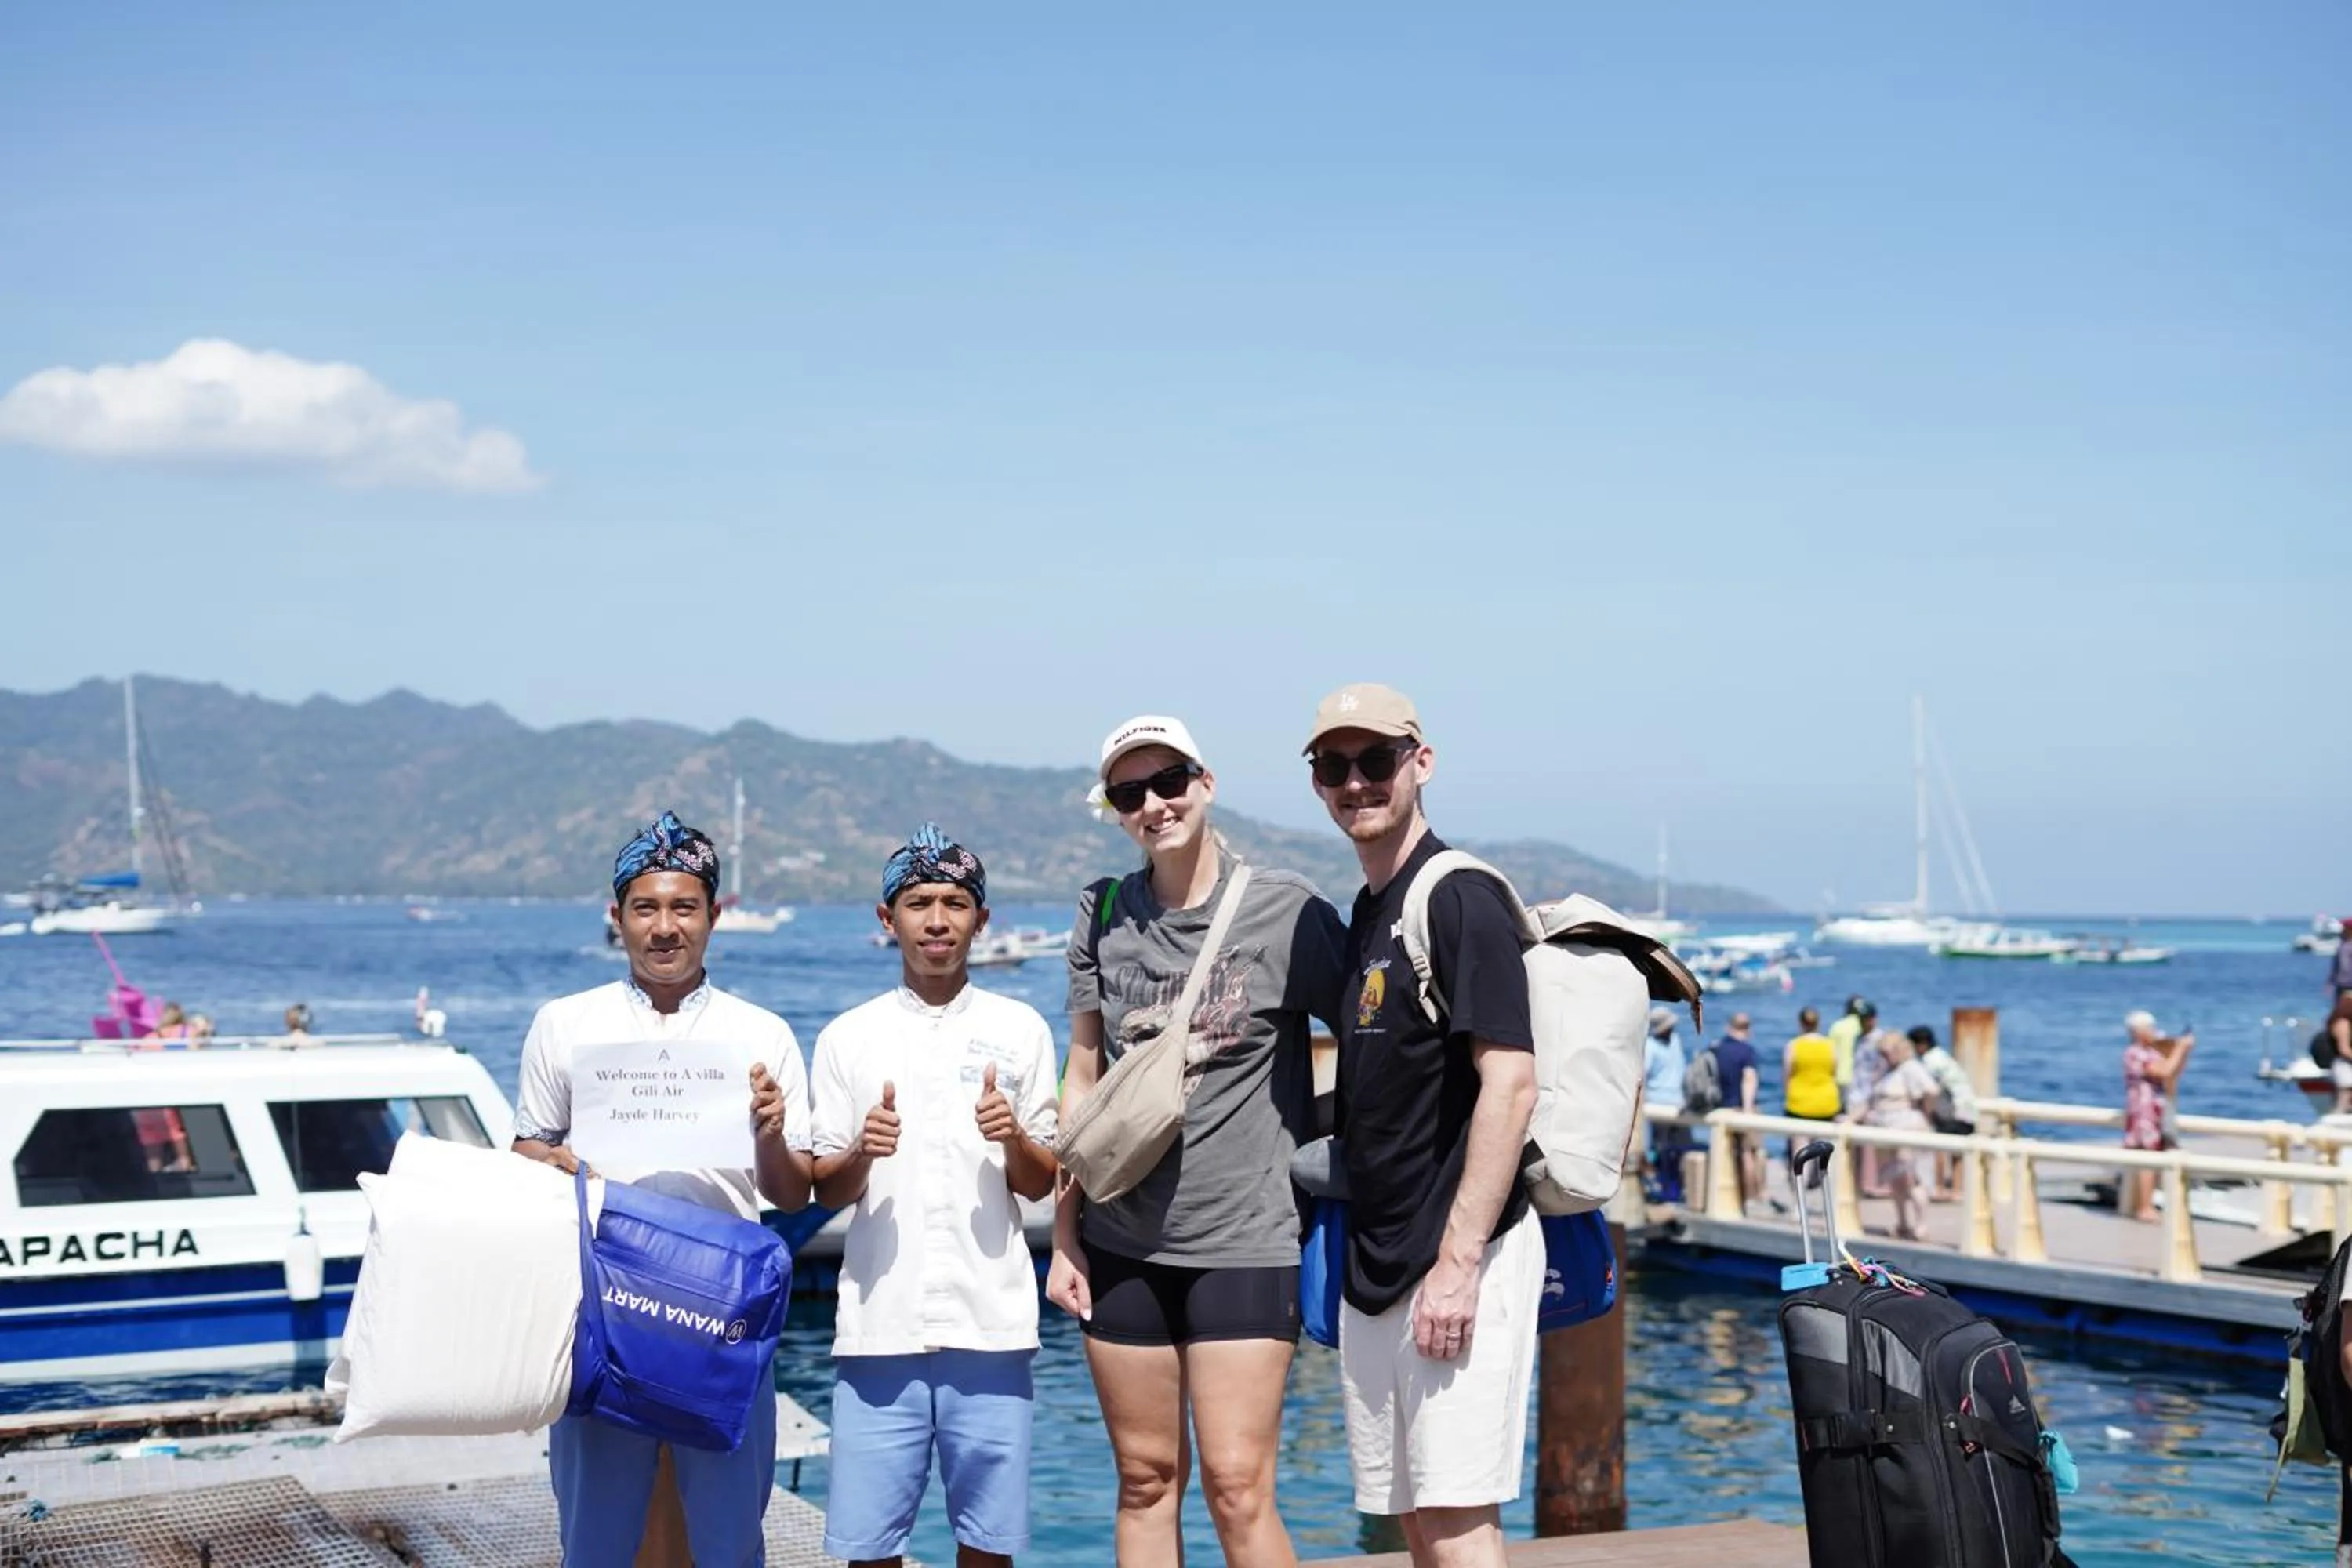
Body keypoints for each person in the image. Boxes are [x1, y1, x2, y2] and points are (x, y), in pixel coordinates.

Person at [1047, 716, 1346, 1568]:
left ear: (1205, 782)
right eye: (1130, 792)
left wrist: (1309, 1132)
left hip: (1245, 1241)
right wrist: (1065, 1232)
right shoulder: (1103, 911)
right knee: (1145, 1479)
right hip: (1120, 1242)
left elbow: (1369, 1041)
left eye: (1169, 780)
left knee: (1237, 1486)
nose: (1154, 804)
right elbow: (1083, 1077)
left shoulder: (1285, 909)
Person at [512, 811, 814, 1567]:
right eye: (645, 907)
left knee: (730, 1538)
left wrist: (772, 1129)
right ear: (617, 917)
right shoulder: (564, 1023)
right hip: (600, 1307)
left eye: (685, 907)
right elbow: (526, 1150)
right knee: (594, 1538)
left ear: (715, 915)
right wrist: (542, 1163)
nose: (665, 927)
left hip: (722, 1312)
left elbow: (794, 1196)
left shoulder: (763, 1032)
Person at [1307, 684, 1540, 1568]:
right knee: (1411, 1516)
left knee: (1455, 1518)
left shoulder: (1459, 895)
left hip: (1455, 1256)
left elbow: (1511, 1082)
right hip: (1382, 1259)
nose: (1356, 781)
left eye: (1377, 760)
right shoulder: (1372, 910)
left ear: (1421, 762)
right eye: (1335, 765)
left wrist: (1458, 1262)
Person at [811, 825, 1060, 1568]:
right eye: (919, 903)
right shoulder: (846, 1038)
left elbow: (1039, 1179)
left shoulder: (1019, 1029)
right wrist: (863, 1149)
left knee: (988, 1547)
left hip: (992, 1327)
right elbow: (825, 1187)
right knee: (869, 1548)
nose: (938, 920)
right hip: (877, 1328)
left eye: (956, 902)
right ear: (887, 920)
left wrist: (1013, 1135)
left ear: (983, 920)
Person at [1863, 1030, 1940, 1241]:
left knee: (1913, 1177)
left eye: (1888, 1053)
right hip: (1886, 1128)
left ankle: (1921, 1224)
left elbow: (1931, 1091)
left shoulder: (1911, 1068)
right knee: (1895, 1178)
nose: (1885, 1057)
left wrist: (1926, 1111)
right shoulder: (1886, 1071)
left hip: (1906, 1126)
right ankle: (1902, 1222)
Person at [2121, 1009, 2194, 1221]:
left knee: (2160, 1152)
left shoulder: (2151, 1052)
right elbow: (2161, 1072)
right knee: (2148, 1156)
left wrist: (2182, 1052)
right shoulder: (2134, 1053)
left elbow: (2172, 1071)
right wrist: (2179, 1048)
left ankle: (2152, 1203)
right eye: (2149, 1028)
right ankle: (2144, 1207)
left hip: (2157, 1108)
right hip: (2144, 1109)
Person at [1909, 1025, 1979, 1200]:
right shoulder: (1942, 1056)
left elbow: (1931, 1090)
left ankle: (1939, 1187)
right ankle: (1956, 1189)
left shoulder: (1930, 1062)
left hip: (1951, 1110)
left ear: (1922, 1044)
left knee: (1940, 1148)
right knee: (1957, 1153)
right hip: (1967, 1110)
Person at [1782, 1007, 1841, 1203]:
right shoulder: (1830, 1045)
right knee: (1827, 1155)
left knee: (1800, 1155)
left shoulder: (1793, 1045)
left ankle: (1799, 1204)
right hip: (1826, 1103)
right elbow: (1834, 1070)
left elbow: (1787, 1074)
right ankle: (1831, 1202)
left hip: (1799, 1104)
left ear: (1801, 1023)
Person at [1711, 1014, 1763, 1203]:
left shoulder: (1716, 1048)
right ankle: (1750, 1196)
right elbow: (1749, 1078)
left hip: (1720, 1108)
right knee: (1748, 1153)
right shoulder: (1747, 1051)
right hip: (1741, 1108)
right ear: (1748, 1029)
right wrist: (1749, 1110)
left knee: (1725, 1153)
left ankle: (1724, 1195)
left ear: (1729, 1027)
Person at [1642, 1007, 1689, 1203]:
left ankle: (1674, 1187)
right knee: (1661, 1149)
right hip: (1658, 1103)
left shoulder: (1675, 1040)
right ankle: (1664, 1188)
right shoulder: (1651, 1046)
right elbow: (1643, 1076)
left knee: (1678, 1149)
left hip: (1679, 1102)